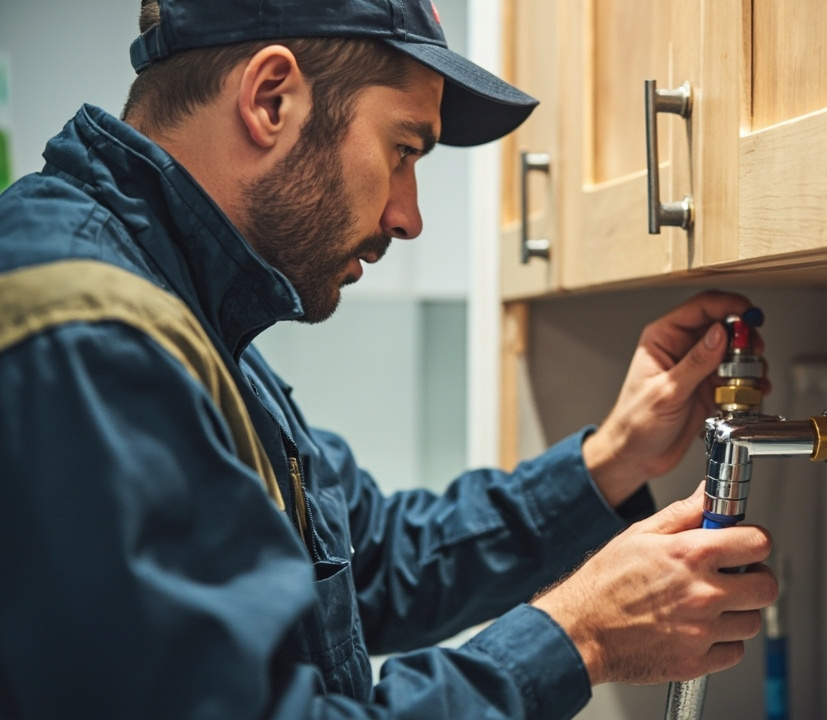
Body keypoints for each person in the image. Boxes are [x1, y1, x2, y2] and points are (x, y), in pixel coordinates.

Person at [0, 0, 777, 718]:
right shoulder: (86, 338)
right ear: (271, 100)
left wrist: (613, 457)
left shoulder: (181, 311)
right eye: (403, 150)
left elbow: (366, 562)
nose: (409, 216)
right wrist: (580, 637)